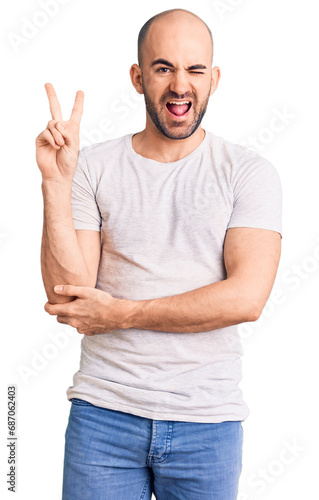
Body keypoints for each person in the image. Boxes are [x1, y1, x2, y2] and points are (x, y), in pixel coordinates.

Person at [36, 8, 282, 500]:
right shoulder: (92, 166)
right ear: (137, 77)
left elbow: (246, 298)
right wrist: (56, 184)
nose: (180, 86)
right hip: (103, 417)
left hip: (206, 424)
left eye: (194, 70)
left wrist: (122, 313)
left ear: (213, 79)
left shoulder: (248, 172)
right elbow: (70, 297)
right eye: (163, 68)